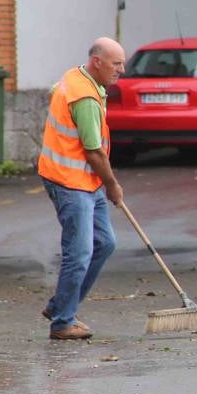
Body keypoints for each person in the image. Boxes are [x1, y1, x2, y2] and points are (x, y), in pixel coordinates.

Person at [38, 38, 126, 341]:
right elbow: (94, 151)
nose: (121, 70)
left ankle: (60, 305)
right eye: (116, 64)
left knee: (105, 243)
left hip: (85, 180)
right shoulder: (84, 97)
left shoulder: (75, 76)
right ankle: (62, 321)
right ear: (97, 62)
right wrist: (113, 185)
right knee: (80, 251)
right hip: (69, 181)